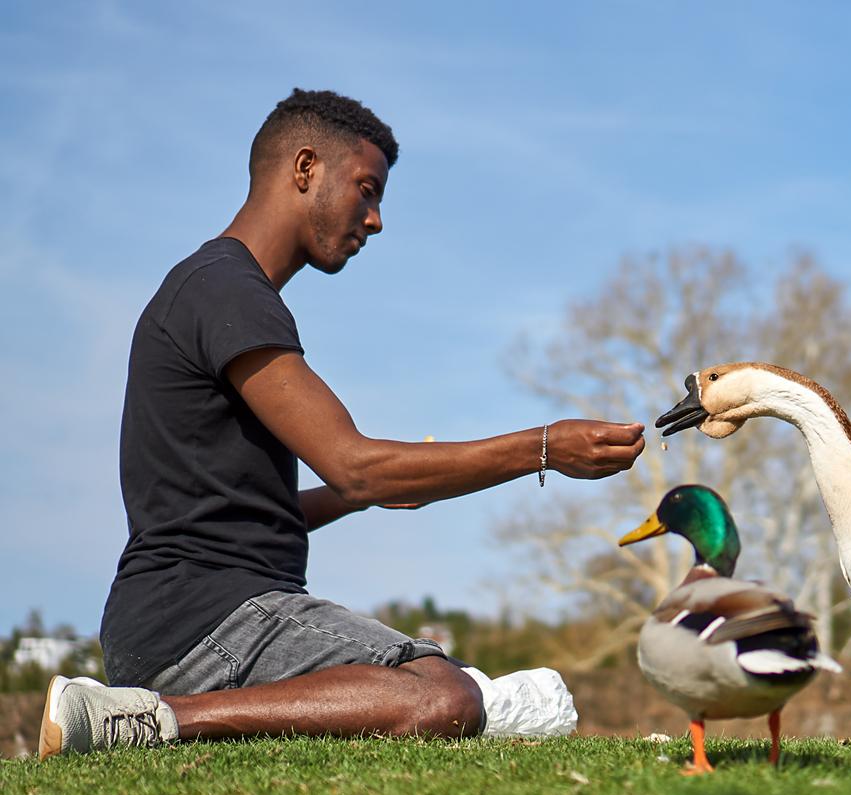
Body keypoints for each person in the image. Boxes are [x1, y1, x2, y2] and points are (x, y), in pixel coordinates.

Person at [38, 89, 645, 759]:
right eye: (366, 189)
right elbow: (353, 460)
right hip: (206, 619)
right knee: (441, 694)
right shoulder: (226, 290)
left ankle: (156, 711)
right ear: (305, 169)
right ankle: (156, 719)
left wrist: (361, 495)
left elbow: (247, 511)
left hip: (163, 623)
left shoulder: (212, 288)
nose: (375, 219)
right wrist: (542, 447)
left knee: (443, 692)